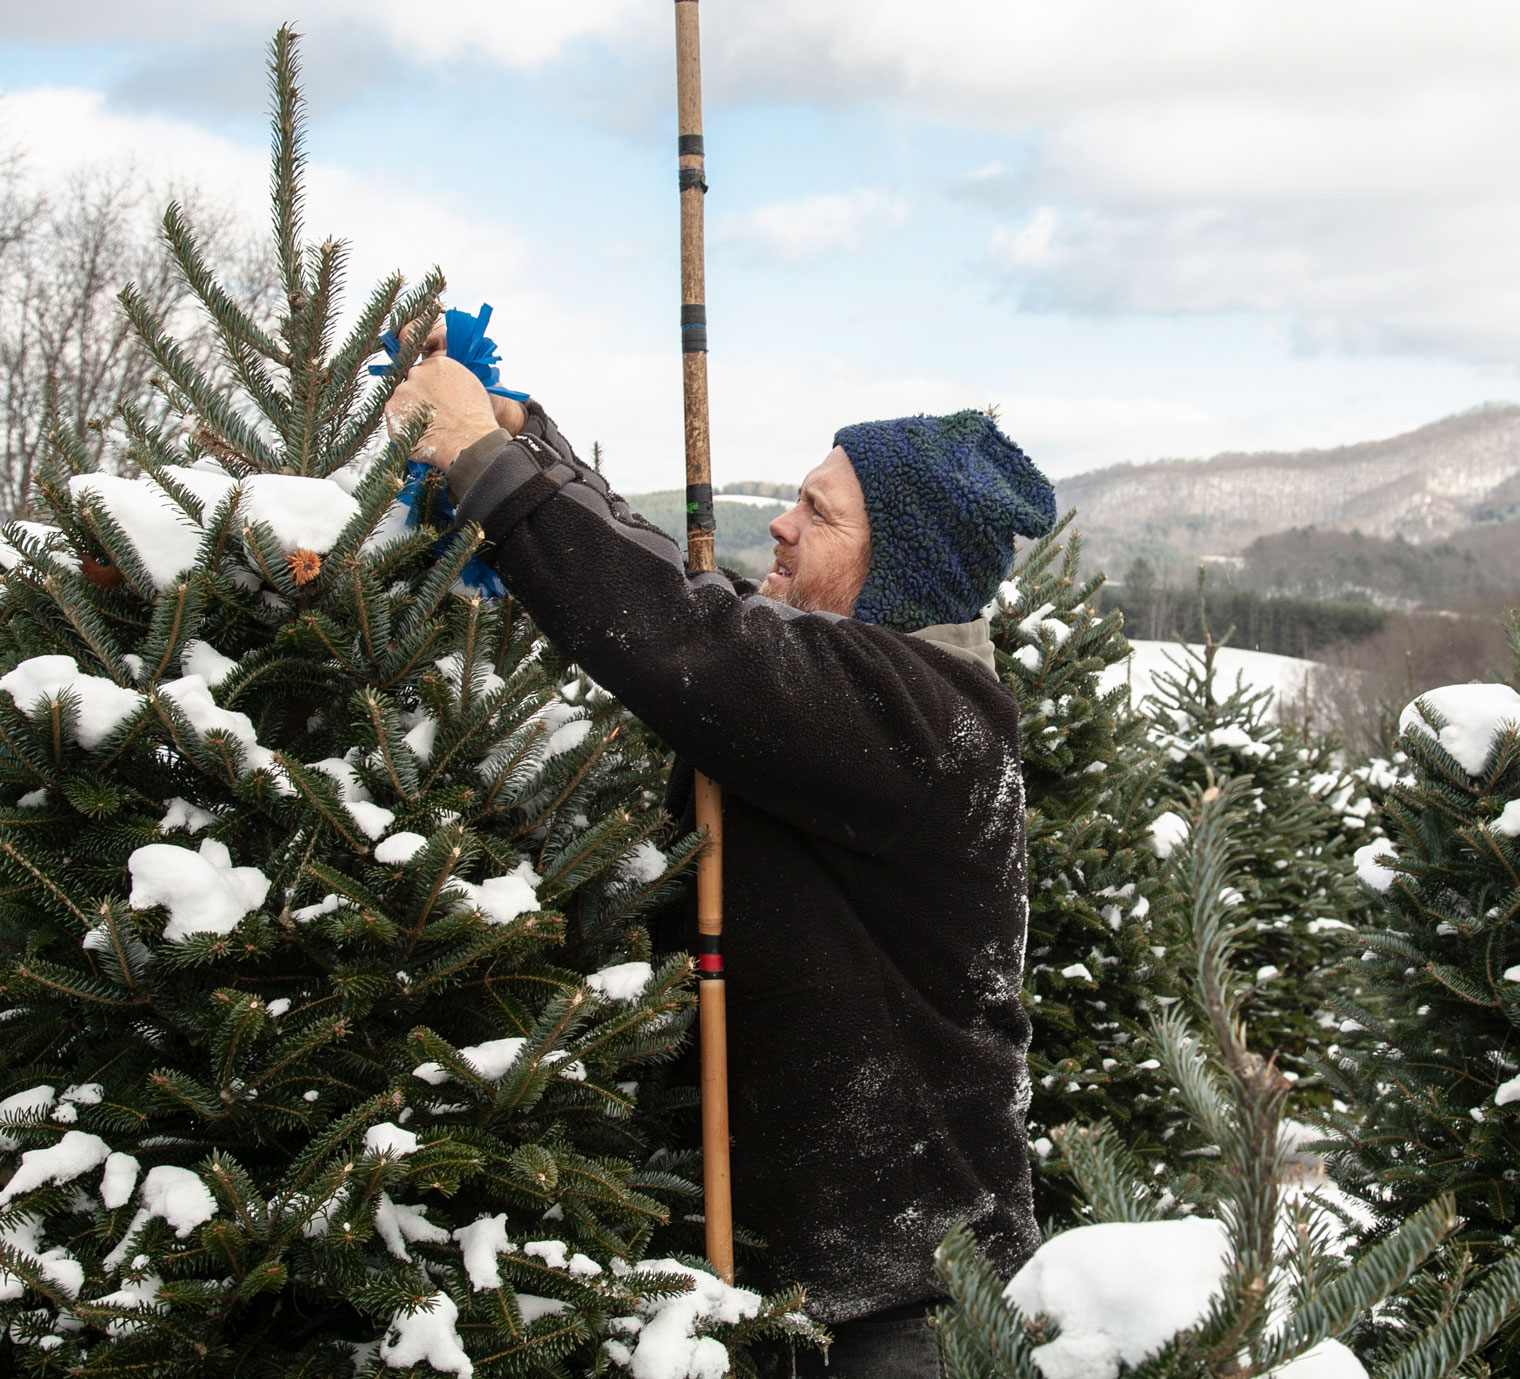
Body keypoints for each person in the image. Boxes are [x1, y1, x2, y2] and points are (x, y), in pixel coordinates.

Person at [385, 346, 1054, 1378]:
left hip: (902, 1308)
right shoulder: (866, 677)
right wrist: (531, 443)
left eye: (820, 513)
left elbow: (686, 637)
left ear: (905, 566)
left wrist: (481, 462)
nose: (783, 524)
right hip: (807, 1285)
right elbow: (694, 590)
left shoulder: (919, 713)